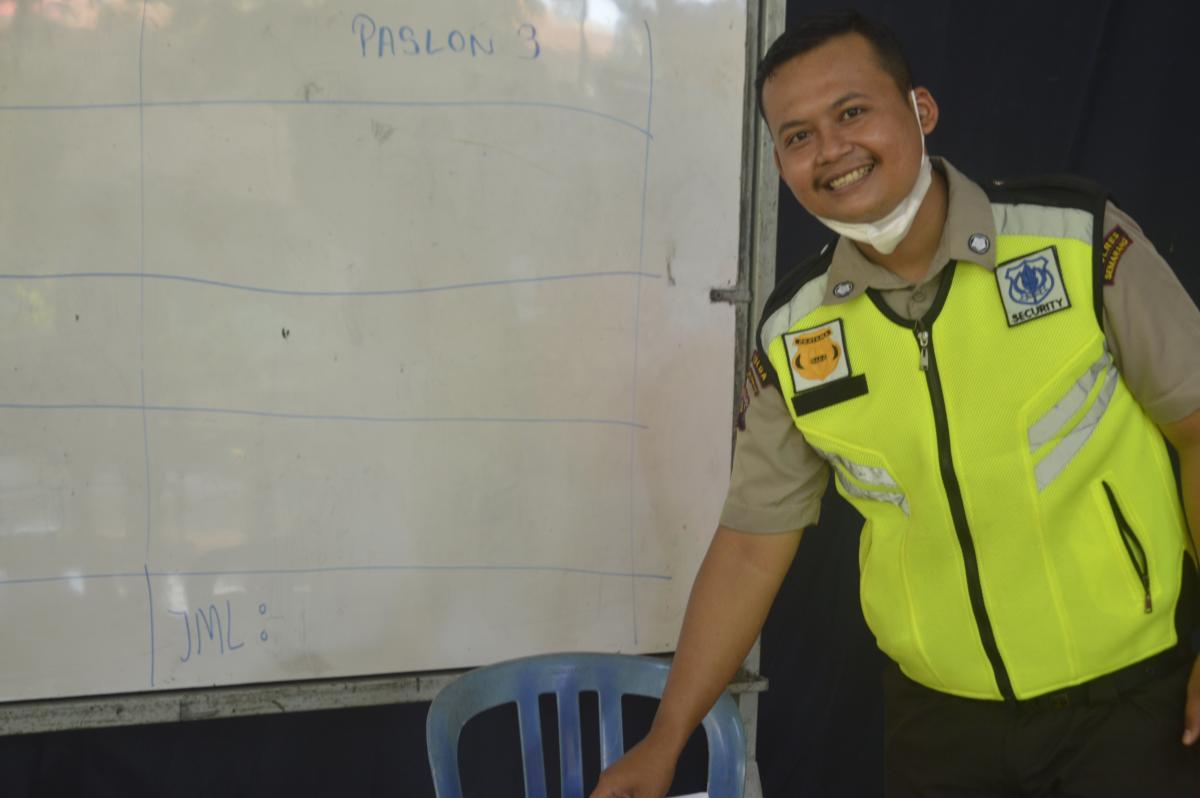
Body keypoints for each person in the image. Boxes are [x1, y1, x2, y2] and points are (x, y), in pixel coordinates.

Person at [590, 10, 1200, 798]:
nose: (831, 149)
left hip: (1131, 705)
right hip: (940, 727)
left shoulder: (1077, 244)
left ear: (921, 109)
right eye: (798, 135)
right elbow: (749, 547)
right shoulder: (794, 335)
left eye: (852, 112)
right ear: (779, 163)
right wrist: (666, 738)